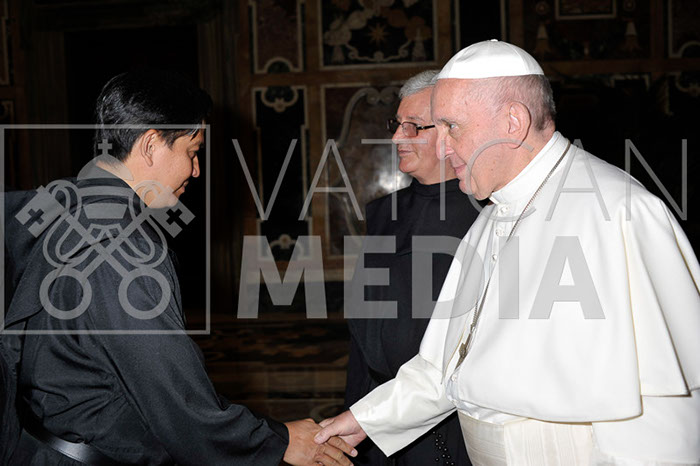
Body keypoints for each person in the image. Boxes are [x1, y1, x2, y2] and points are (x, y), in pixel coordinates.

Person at [316, 40, 700, 464]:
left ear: (513, 122)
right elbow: (447, 367)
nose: (441, 148)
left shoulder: (617, 211)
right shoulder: (493, 216)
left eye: (452, 127)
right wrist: (365, 419)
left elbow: (660, 411)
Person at [2, 69, 356, 465]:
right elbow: (175, 396)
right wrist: (278, 440)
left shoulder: (59, 205)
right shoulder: (123, 245)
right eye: (192, 151)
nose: (196, 170)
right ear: (151, 144)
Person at [345, 70, 475, 465]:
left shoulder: (483, 215)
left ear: (451, 133)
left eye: (413, 126)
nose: (396, 138)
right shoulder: (384, 212)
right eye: (397, 124)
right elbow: (365, 330)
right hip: (375, 412)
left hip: (446, 420)